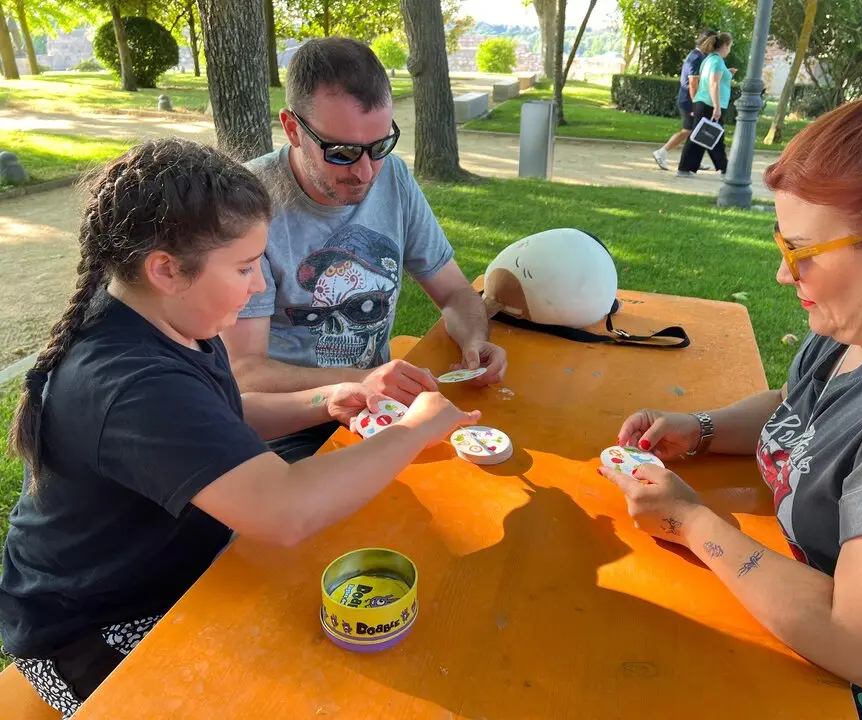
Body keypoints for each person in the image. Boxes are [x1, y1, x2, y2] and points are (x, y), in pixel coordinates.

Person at [0, 139, 479, 718]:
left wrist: (325, 400)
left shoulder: (166, 317)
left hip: (167, 574)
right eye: (246, 267)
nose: (258, 287)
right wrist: (416, 430)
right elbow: (285, 511)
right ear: (166, 269)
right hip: (89, 630)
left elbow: (214, 417)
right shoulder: (131, 382)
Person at [602, 48, 862, 720]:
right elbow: (805, 408)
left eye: (801, 252)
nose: (782, 273)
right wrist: (704, 429)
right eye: (781, 244)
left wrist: (690, 521)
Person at [222, 37, 507, 463]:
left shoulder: (393, 177)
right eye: (342, 152)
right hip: (288, 425)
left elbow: (454, 292)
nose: (365, 172)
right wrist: (363, 379)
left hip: (378, 408)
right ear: (293, 129)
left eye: (379, 147)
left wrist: (475, 341)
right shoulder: (246, 205)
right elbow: (246, 372)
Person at [651, 29, 716, 172]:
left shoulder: (698, 56)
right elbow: (693, 83)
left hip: (690, 99)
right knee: (689, 130)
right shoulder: (696, 57)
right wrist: (696, 104)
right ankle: (662, 152)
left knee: (696, 130)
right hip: (688, 100)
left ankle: (693, 159)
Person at [676, 32, 735, 178]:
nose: (729, 50)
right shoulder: (716, 61)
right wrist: (717, 106)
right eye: (730, 47)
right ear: (725, 45)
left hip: (703, 102)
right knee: (710, 136)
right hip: (710, 103)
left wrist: (727, 73)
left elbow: (712, 79)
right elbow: (713, 83)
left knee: (703, 136)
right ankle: (724, 169)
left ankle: (689, 168)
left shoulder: (709, 59)